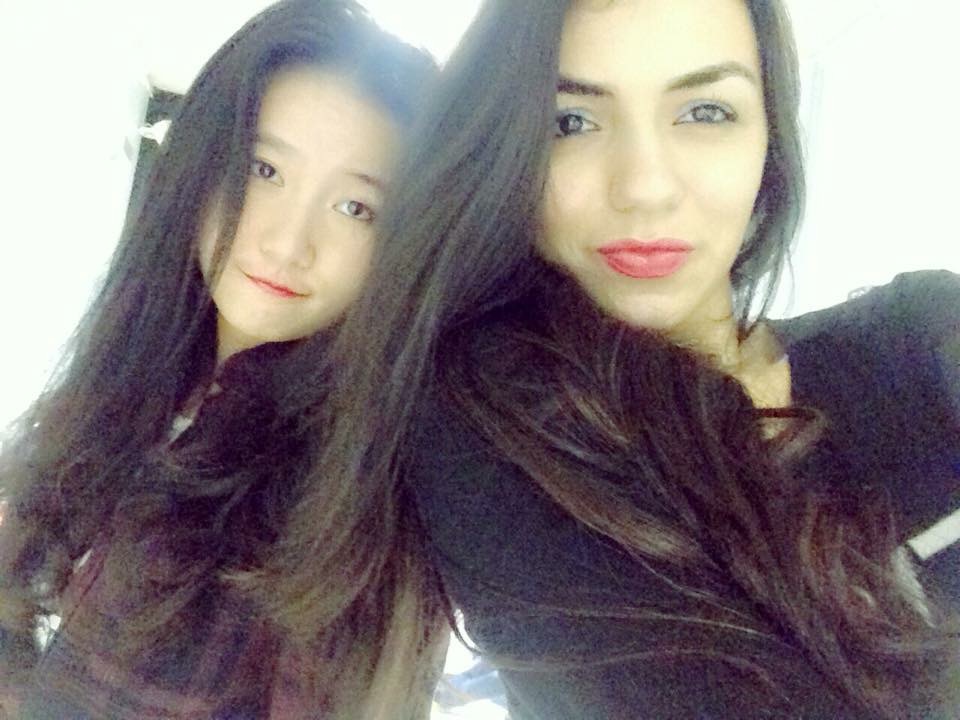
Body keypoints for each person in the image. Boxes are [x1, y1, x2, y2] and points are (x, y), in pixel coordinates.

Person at [273, 0, 960, 717]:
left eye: (704, 113)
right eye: (572, 122)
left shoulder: (920, 337)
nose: (644, 188)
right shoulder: (480, 421)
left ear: (770, 138)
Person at [0, 1, 442, 718]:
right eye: (266, 169)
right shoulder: (127, 384)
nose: (287, 242)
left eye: (356, 208)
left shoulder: (353, 512)